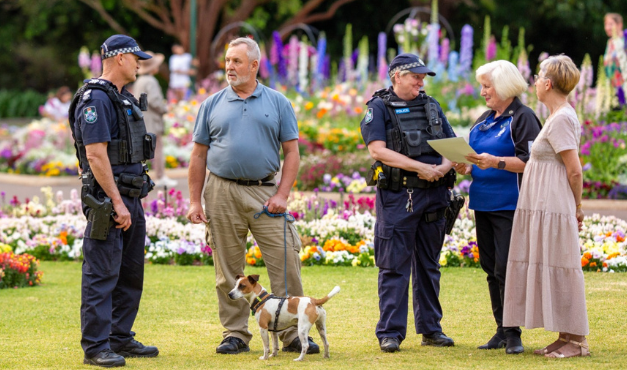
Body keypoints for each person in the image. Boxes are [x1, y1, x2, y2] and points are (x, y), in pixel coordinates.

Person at [186, 37, 319, 355]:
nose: (229, 67)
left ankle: (292, 335)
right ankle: (235, 333)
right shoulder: (212, 104)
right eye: (228, 61)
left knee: (285, 262)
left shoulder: (278, 102)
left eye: (236, 61)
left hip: (265, 192)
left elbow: (292, 153)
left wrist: (283, 194)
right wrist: (194, 200)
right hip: (221, 191)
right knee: (228, 270)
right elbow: (198, 156)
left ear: (255, 65)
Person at [69, 34, 159, 367]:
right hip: (109, 203)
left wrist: (130, 200)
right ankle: (96, 347)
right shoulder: (96, 99)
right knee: (102, 273)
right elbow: (95, 154)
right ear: (120, 58)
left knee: (130, 272)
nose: (140, 63)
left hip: (129, 197)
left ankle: (120, 337)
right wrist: (118, 203)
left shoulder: (121, 97)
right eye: (136, 57)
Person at [360, 53, 457, 353]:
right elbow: (378, 151)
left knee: (429, 265)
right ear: (396, 77)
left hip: (434, 196)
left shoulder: (432, 105)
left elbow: (451, 144)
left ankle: (431, 329)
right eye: (415, 75)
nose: (420, 80)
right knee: (394, 267)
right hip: (398, 197)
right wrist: (420, 168)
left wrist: (443, 167)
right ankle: (390, 332)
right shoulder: (378, 108)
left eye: (423, 76)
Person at [503, 55, 590, 358]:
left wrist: (577, 207)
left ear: (549, 83)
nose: (535, 82)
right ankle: (564, 335)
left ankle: (577, 342)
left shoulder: (563, 117)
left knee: (562, 267)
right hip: (543, 205)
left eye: (539, 77)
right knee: (552, 263)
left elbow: (574, 170)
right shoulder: (556, 116)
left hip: (555, 205)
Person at [453, 60, 542, 354]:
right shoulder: (485, 118)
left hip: (510, 204)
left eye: (487, 86)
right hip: (483, 203)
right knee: (490, 268)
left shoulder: (523, 118)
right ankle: (501, 329)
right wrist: (465, 166)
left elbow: (532, 162)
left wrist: (497, 162)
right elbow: (477, 159)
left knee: (507, 268)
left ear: (504, 87)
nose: (482, 92)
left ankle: (513, 332)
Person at [133, 51, 177, 188]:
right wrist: (165, 109)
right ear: (153, 68)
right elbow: (155, 101)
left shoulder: (139, 80)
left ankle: (142, 176)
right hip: (152, 120)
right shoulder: (151, 81)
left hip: (142, 120)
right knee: (157, 148)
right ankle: (160, 176)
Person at [603, 13, 627, 108]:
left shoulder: (625, 38)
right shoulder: (610, 42)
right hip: (614, 88)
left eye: (610, 24)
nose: (607, 27)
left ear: (620, 24)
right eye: (606, 24)